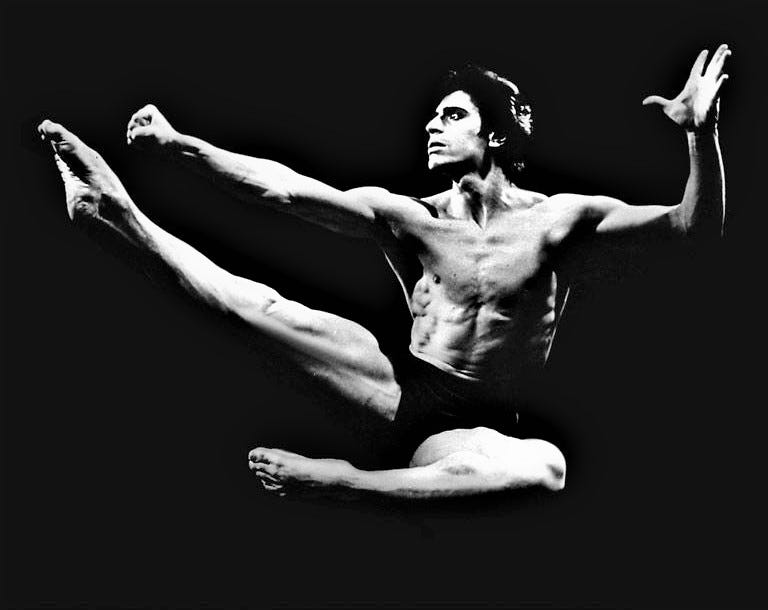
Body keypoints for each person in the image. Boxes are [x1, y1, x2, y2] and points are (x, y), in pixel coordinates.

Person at [37, 44, 729, 500]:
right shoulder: (410, 216)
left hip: (478, 424)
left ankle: (344, 483)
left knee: (547, 470)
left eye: (451, 115)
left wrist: (701, 135)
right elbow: (283, 189)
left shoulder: (561, 220)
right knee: (256, 306)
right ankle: (110, 210)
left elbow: (690, 229)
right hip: (399, 384)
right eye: (433, 115)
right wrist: (179, 145)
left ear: (494, 134)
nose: (431, 126)